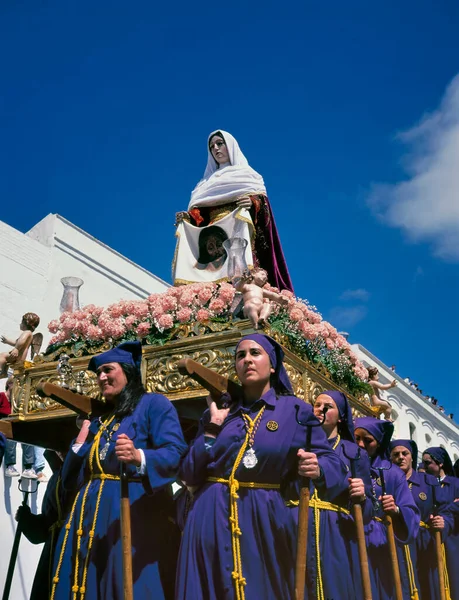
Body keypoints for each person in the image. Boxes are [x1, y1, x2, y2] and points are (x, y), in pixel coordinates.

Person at [176, 333, 349, 600]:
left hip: (262, 517)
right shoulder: (218, 413)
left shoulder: (295, 412)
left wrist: (319, 467)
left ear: (272, 366)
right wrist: (211, 430)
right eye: (240, 355)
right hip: (207, 516)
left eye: (255, 353)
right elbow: (188, 473)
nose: (246, 360)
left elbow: (332, 462)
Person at [50, 341, 187, 600]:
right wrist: (80, 441)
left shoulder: (153, 405)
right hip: (87, 523)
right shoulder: (101, 421)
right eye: (98, 373)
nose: (101, 377)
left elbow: (176, 454)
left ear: (127, 371)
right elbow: (69, 481)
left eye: (108, 370)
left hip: (134, 518)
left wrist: (139, 457)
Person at [174, 130, 293, 291]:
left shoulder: (248, 175)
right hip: (215, 238)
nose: (216, 149)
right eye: (212, 147)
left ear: (230, 146)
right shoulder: (205, 183)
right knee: (216, 280)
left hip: (240, 231)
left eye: (220, 144)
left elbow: (263, 204)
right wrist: (188, 218)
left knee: (243, 276)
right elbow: (201, 214)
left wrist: (252, 203)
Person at [299, 390, 373, 600]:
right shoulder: (298, 441)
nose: (320, 408)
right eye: (316, 404)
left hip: (337, 534)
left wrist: (362, 495)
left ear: (340, 417)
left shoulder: (355, 452)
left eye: (327, 406)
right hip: (297, 525)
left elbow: (369, 510)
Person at [354, 417, 420, 600]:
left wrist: (396, 509)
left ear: (378, 443)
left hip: (381, 542)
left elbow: (411, 511)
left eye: (368, 441)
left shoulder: (392, 472)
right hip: (348, 536)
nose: (360, 445)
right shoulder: (345, 462)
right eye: (356, 438)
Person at [390, 439, 451, 600]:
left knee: (427, 586)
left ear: (411, 457)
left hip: (424, 542)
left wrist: (444, 520)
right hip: (398, 541)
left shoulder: (428, 481)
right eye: (396, 454)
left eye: (405, 453)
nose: (401, 457)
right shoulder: (388, 480)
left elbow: (445, 508)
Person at [422, 447, 459, 600]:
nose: (424, 466)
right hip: (429, 537)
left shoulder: (455, 483)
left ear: (440, 463)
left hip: (452, 539)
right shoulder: (424, 483)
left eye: (428, 462)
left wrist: (448, 508)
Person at [1, 377, 37, 478]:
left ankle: (28, 468)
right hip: (4, 427)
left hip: (15, 426)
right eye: (17, 384)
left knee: (28, 439)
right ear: (9, 385)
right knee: (10, 438)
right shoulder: (1, 396)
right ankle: (10, 466)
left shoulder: (16, 402)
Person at [0, 312, 40, 378]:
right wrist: (7, 341)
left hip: (18, 355)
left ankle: (1, 370)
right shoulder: (29, 334)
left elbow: (21, 341)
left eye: (22, 322)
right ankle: (4, 372)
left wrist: (16, 349)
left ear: (26, 324)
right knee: (7, 361)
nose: (20, 324)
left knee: (2, 355)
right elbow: (17, 342)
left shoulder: (27, 332)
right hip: (20, 356)